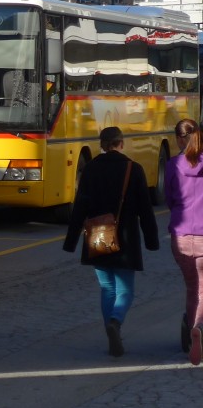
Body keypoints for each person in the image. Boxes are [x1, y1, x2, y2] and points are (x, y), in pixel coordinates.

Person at [63, 126, 159, 358]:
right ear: (121, 143)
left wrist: (71, 240)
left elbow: (80, 207)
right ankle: (115, 322)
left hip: (98, 236)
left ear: (102, 144)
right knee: (125, 290)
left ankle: (111, 332)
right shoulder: (133, 169)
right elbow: (145, 209)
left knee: (107, 288)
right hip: (125, 238)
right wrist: (151, 240)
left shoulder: (91, 169)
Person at [165, 117, 203, 365]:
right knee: (202, 287)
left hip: (181, 235)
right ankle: (197, 326)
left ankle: (192, 328)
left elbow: (169, 198)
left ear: (180, 138)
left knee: (192, 286)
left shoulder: (172, 165)